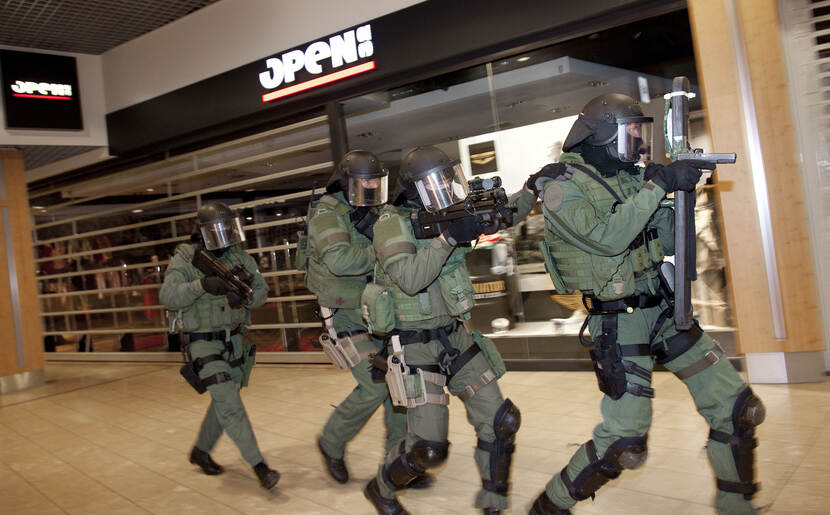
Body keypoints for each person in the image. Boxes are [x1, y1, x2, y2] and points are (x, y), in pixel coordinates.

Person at [510, 94, 764, 515]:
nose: (639, 140)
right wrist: (659, 187)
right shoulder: (562, 186)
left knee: (739, 410)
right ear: (605, 132)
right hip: (618, 319)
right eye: (631, 129)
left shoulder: (632, 178)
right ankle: (549, 507)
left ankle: (738, 508)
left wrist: (678, 195)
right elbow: (608, 239)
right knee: (625, 442)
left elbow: (663, 241)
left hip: (663, 309)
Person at [362, 146, 520, 515]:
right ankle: (382, 488)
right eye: (438, 181)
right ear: (415, 187)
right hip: (414, 346)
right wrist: (449, 238)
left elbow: (503, 215)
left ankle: (494, 501)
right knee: (428, 449)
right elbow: (411, 278)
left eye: (450, 179)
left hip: (455, 335)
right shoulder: (391, 223)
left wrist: (525, 195)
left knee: (501, 420)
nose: (447, 187)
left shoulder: (443, 216)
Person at [301, 150, 409, 484]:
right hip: (345, 314)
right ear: (346, 182)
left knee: (399, 382)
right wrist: (384, 248)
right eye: (365, 183)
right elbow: (340, 262)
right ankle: (331, 442)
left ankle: (397, 461)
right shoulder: (326, 213)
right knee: (375, 386)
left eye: (376, 183)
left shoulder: (373, 209)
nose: (372, 189)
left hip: (379, 308)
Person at [160, 201, 280, 490]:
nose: (225, 233)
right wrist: (202, 286)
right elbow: (168, 296)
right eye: (218, 228)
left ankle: (201, 451)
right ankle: (259, 466)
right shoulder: (187, 258)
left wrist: (245, 297)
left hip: (235, 342)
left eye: (228, 227)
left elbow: (261, 292)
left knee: (224, 401)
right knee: (230, 404)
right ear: (202, 230)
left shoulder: (239, 257)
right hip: (203, 344)